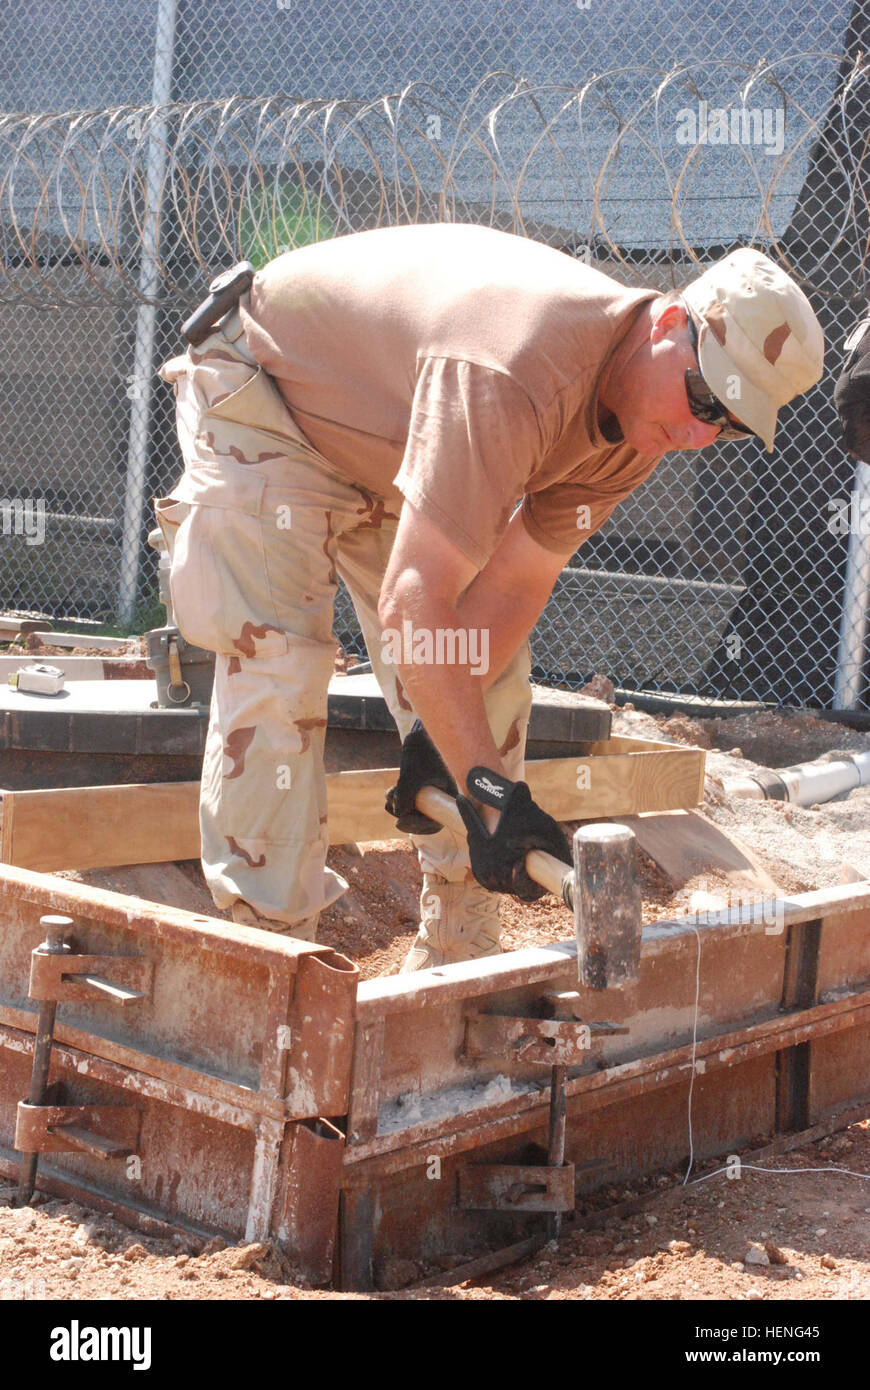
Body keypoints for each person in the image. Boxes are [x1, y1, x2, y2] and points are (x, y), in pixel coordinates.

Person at [155, 223, 824, 971]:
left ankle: (458, 946)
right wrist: (485, 783)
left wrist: (440, 740)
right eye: (705, 394)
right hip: (269, 396)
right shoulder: (518, 366)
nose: (701, 433)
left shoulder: (642, 426)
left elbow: (516, 580)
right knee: (277, 670)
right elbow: (415, 601)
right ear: (666, 322)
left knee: (483, 677)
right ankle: (269, 965)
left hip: (391, 436)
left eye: (728, 424)